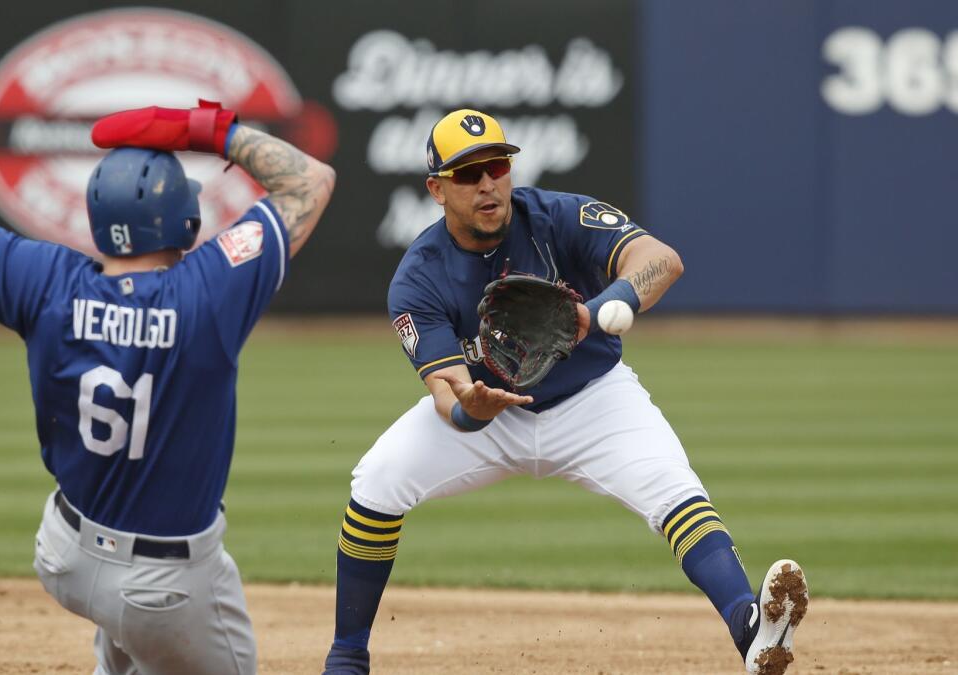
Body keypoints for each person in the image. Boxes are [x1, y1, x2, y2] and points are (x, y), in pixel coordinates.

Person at [0, 9, 335, 674]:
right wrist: (203, 128)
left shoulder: (46, 280)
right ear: (183, 218)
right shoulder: (208, 292)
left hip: (63, 553)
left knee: (122, 628)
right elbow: (310, 180)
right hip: (166, 588)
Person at [321, 109, 808, 675]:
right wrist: (472, 411)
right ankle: (347, 656)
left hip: (593, 399)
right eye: (466, 173)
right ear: (437, 189)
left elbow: (660, 260)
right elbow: (448, 392)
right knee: (377, 482)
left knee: (675, 490)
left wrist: (592, 313)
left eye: (496, 165)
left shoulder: (556, 215)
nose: (487, 183)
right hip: (491, 415)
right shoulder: (419, 276)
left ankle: (752, 630)